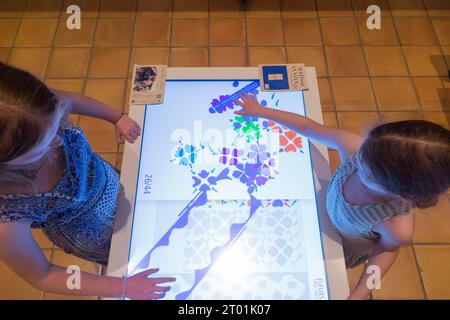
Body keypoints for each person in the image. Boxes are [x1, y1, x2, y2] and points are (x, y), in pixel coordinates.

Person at [234, 92, 450, 299]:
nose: (355, 160)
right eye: (364, 148)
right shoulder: (357, 148)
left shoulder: (395, 225)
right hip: (318, 213)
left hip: (341, 247)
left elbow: (385, 255)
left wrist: (358, 295)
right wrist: (261, 110)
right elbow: (308, 127)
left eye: (365, 169)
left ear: (401, 193)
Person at [0, 62, 175, 299]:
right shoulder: (8, 222)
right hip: (98, 236)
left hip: (112, 184)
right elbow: (42, 274)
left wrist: (117, 117)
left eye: (56, 126)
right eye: (41, 147)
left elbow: (68, 101)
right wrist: (122, 286)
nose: (59, 142)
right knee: (126, 254)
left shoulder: (31, 108)